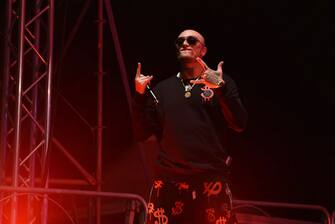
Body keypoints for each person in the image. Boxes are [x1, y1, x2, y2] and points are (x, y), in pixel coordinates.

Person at [133, 29, 247, 224]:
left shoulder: (222, 83)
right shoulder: (162, 89)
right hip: (168, 183)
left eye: (191, 40)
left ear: (203, 51)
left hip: (210, 182)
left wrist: (221, 88)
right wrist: (139, 96)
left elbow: (239, 124)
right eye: (180, 41)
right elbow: (141, 134)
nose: (184, 43)